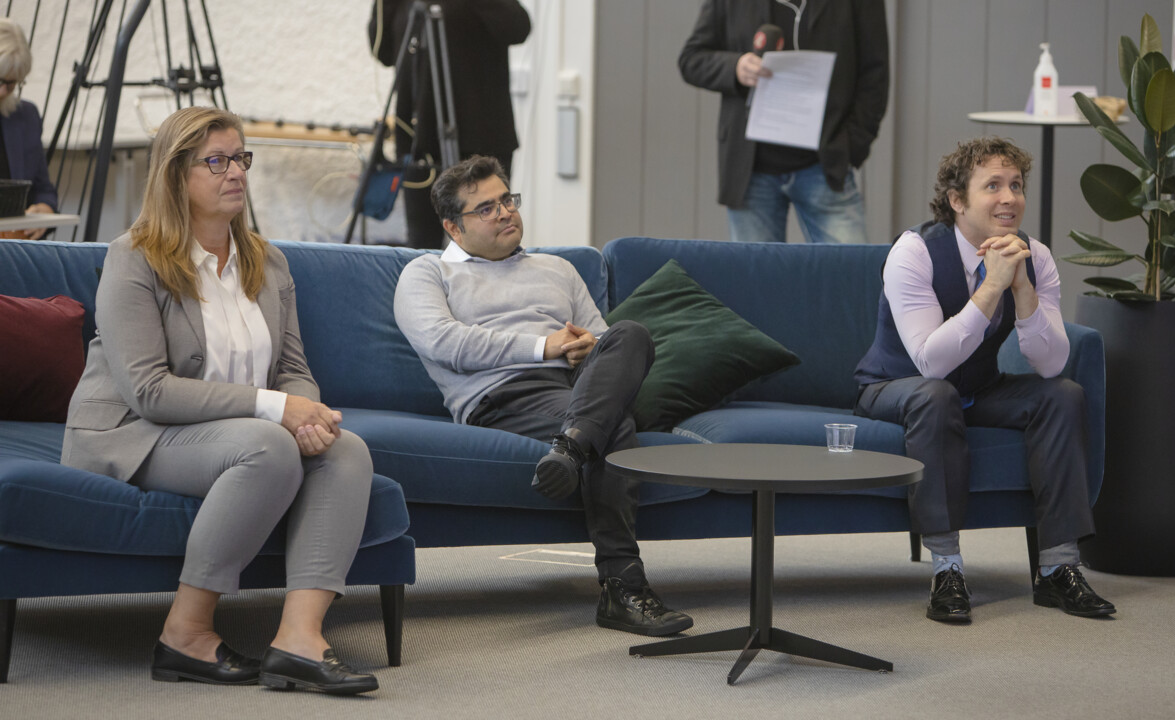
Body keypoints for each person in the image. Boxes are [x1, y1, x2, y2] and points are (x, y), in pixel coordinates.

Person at [60, 107, 379, 694]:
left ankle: (298, 642)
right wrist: (277, 411)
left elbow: (292, 369)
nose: (236, 172)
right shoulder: (135, 257)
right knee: (267, 447)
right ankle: (185, 634)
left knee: (346, 450)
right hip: (131, 432)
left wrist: (304, 413)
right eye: (217, 161)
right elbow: (150, 390)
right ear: (176, 173)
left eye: (241, 158)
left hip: (231, 434)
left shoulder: (268, 260)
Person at [393, 155, 694, 637]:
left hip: (577, 389)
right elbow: (444, 342)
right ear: (453, 226)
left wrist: (584, 348)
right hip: (502, 397)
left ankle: (571, 446)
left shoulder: (558, 268)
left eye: (507, 200)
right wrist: (544, 345)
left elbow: (602, 340)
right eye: (486, 208)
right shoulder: (428, 274)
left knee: (630, 334)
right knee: (614, 428)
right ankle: (623, 586)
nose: (506, 212)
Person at [852, 137, 1115, 623]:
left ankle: (1059, 569)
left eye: (1015, 185)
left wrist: (1022, 287)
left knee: (1061, 395)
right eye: (992, 185)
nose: (1009, 197)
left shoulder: (1034, 256)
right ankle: (947, 571)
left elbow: (1052, 363)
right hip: (897, 386)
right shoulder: (914, 252)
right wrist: (993, 285)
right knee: (936, 394)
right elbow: (931, 362)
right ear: (957, 200)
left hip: (977, 388)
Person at [678, 0, 889, 244]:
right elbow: (691, 59)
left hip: (826, 162)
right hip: (751, 169)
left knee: (850, 276)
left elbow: (875, 72)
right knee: (756, 280)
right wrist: (735, 67)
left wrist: (852, 144)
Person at [368, 0, 530, 249]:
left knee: (489, 244)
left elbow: (518, 28)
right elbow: (383, 51)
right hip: (419, 140)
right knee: (422, 247)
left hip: (481, 138)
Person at [0, 19, 57, 239]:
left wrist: (44, 209)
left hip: (14, 247)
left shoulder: (25, 117)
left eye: (12, 83)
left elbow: (43, 188)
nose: (4, 91)